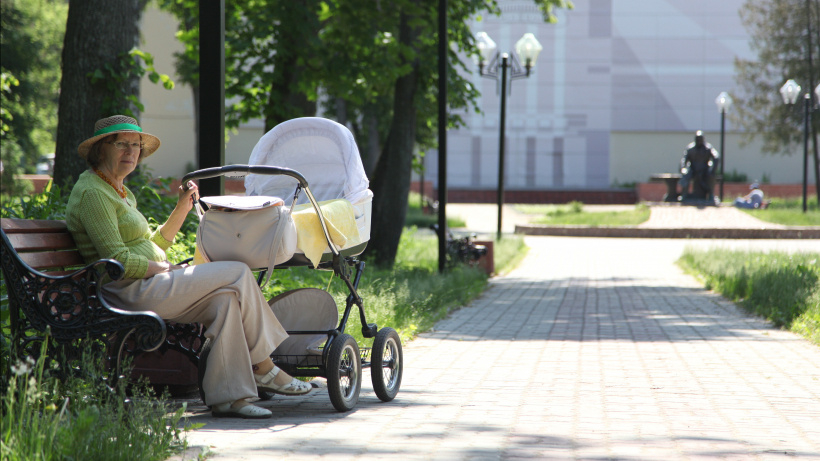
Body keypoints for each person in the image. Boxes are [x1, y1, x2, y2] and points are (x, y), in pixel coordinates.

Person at [66, 115, 311, 419]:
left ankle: (229, 399)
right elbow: (118, 261)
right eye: (122, 145)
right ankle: (264, 366)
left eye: (136, 146)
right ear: (101, 149)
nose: (131, 152)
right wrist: (161, 268)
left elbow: (155, 243)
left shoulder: (119, 190)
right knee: (237, 271)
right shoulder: (93, 192)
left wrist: (182, 207)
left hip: (145, 283)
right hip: (124, 290)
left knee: (226, 302)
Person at [679, 130, 720, 201]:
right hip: (692, 169)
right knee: (686, 174)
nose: (699, 141)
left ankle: (711, 195)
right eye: (698, 139)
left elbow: (716, 157)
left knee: (711, 175)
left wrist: (713, 170)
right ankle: (684, 195)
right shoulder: (690, 149)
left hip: (705, 169)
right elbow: (684, 160)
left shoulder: (708, 148)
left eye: (701, 139)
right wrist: (683, 168)